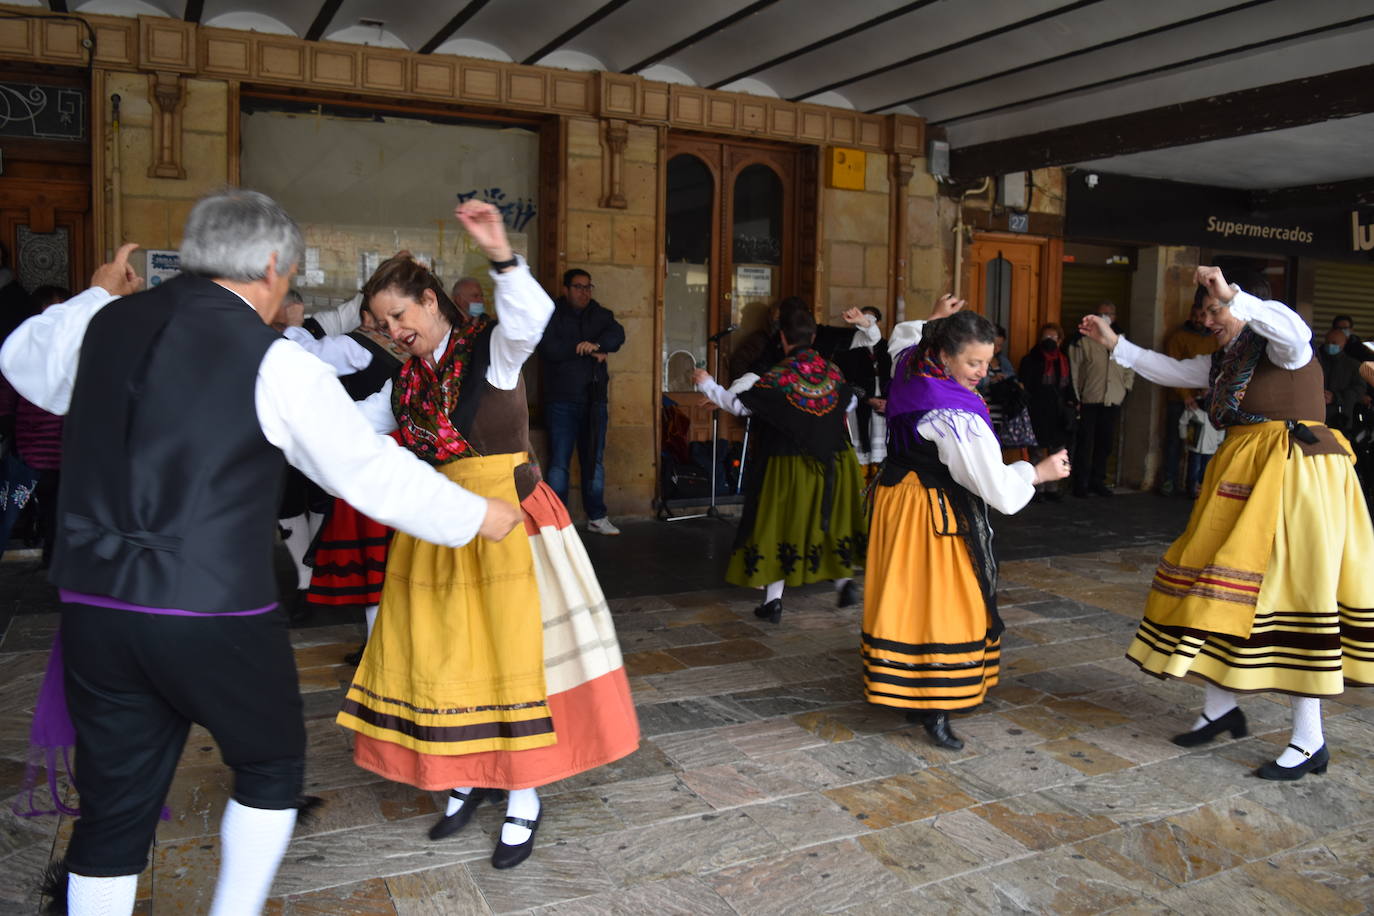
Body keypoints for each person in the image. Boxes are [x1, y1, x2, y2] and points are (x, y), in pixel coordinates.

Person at [0, 191, 522, 916]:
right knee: (272, 766)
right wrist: (478, 516)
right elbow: (365, 470)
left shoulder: (104, 327)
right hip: (212, 609)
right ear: (273, 265)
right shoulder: (271, 360)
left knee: (113, 809)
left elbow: (25, 363)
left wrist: (93, 292)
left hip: (93, 608)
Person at [342, 203, 639, 871]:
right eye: (383, 324)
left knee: (513, 663)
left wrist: (502, 252)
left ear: (428, 299)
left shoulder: (489, 348)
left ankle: (523, 794)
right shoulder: (407, 378)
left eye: (399, 317)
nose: (394, 331)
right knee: (446, 657)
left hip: (508, 522)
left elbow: (534, 319)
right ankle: (466, 773)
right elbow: (351, 425)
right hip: (442, 528)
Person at [1078, 265, 1374, 781]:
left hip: (1293, 480)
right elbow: (1171, 369)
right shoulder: (1228, 360)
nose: (1208, 318)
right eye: (1205, 310)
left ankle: (1310, 740)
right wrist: (1114, 341)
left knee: (1290, 597)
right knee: (1216, 589)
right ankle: (1220, 709)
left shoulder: (1283, 346)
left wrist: (1234, 295)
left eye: (1215, 310)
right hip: (1244, 480)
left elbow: (1293, 331)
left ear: (1239, 304)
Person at [864, 301, 1070, 750]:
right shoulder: (951, 411)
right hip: (932, 513)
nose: (982, 371)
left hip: (897, 502)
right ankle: (934, 704)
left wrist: (933, 315)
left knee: (906, 595)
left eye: (988, 361)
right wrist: (1038, 471)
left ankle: (905, 687)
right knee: (943, 602)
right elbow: (995, 488)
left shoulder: (911, 361)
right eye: (972, 362)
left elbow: (904, 332)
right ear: (944, 354)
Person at [692, 307, 868, 623]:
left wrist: (707, 383)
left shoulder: (779, 377)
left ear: (782, 338)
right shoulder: (832, 372)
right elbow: (851, 402)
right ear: (813, 337)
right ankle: (843, 584)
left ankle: (773, 602)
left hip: (792, 465)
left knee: (779, 528)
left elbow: (740, 406)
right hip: (837, 461)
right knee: (828, 523)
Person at [280, 295, 412, 660]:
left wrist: (292, 323)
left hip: (373, 457)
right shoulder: (407, 352)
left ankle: (380, 646)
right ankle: (382, 644)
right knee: (389, 563)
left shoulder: (354, 344)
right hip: (398, 454)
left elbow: (301, 355)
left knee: (378, 564)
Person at [537, 269, 624, 535]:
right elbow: (548, 349)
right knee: (559, 463)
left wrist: (597, 344)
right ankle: (558, 521)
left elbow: (618, 335)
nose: (584, 292)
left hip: (594, 398)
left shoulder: (600, 313)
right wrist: (584, 349)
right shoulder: (552, 314)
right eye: (578, 287)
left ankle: (597, 516)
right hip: (561, 399)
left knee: (594, 461)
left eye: (588, 287)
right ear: (566, 289)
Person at [1068, 301, 1134, 497]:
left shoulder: (1122, 340)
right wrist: (1076, 395)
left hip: (1113, 398)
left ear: (1115, 317)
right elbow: (1075, 369)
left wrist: (1126, 388)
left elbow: (1129, 367)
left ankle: (1098, 480)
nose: (1106, 317)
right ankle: (1081, 482)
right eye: (1102, 313)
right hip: (1089, 397)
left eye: (1110, 314)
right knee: (1085, 442)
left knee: (1105, 442)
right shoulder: (1083, 340)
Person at [1159, 293, 1219, 496]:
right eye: (1196, 315)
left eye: (1203, 315)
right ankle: (1169, 480)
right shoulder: (1178, 337)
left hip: (1204, 400)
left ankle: (1195, 485)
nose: (1199, 319)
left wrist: (1209, 390)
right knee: (1175, 441)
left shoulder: (1214, 338)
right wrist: (1185, 395)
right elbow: (1172, 368)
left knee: (1204, 446)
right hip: (1180, 399)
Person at [1018, 322, 1075, 500]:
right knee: (1036, 450)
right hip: (1037, 412)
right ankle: (1038, 488)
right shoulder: (1031, 359)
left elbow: (1069, 386)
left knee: (1059, 451)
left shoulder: (1064, 360)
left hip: (1058, 414)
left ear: (1059, 340)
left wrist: (1072, 403)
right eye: (1045, 337)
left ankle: (1054, 488)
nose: (1049, 341)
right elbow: (1025, 384)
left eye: (1053, 337)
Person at [833, 305, 890, 472]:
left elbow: (895, 377)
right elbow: (846, 379)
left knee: (881, 453)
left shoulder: (887, 347)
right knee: (862, 449)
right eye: (864, 319)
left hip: (884, 404)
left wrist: (888, 400)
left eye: (871, 321)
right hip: (859, 404)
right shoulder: (851, 345)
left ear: (878, 324)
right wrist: (867, 399)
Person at [1317, 327, 1364, 433]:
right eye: (1328, 342)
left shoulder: (1354, 365)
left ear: (1344, 343)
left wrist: (1336, 397)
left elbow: (1359, 391)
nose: (1330, 345)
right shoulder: (1316, 363)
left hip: (1341, 419)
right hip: (1317, 417)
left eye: (1334, 342)